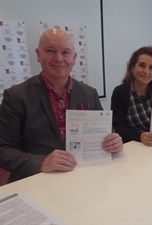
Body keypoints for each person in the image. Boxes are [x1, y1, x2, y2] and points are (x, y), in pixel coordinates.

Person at [0, 29, 123, 183]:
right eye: (50, 51)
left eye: (65, 52)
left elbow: (105, 130)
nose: (59, 58)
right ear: (38, 54)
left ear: (74, 57)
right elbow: (3, 149)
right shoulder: (16, 96)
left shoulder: (89, 93)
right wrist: (42, 162)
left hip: (83, 175)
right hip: (38, 180)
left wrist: (113, 139)